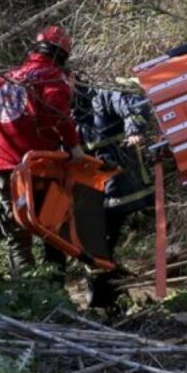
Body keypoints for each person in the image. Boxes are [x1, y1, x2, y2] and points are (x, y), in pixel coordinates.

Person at [0, 25, 85, 277]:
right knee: (51, 226)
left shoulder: (2, 79)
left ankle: (27, 289)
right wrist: (74, 146)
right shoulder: (51, 77)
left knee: (17, 232)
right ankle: (55, 290)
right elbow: (55, 112)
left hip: (2, 167)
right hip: (40, 165)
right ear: (61, 54)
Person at [72, 77, 154, 311]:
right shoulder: (61, 106)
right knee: (95, 244)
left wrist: (134, 129)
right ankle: (110, 297)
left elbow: (134, 103)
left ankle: (105, 302)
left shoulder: (102, 92)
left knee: (98, 242)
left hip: (118, 180)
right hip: (92, 185)